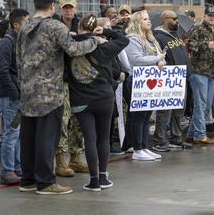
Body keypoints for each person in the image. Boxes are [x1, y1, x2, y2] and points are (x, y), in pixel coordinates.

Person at [17, 0, 105, 195]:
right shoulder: (54, 25)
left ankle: (28, 179)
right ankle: (46, 182)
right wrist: (95, 41)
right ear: (52, 6)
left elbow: (18, 57)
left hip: (28, 91)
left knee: (29, 138)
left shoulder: (25, 26)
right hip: (49, 92)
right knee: (47, 138)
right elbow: (73, 49)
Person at [67, 14, 129, 191]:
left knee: (90, 139)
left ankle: (93, 180)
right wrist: (107, 32)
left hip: (80, 99)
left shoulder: (70, 46)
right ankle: (103, 178)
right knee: (103, 139)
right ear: (95, 29)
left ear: (79, 27)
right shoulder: (105, 47)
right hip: (104, 98)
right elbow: (123, 40)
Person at [124, 11, 166, 160]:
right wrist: (156, 59)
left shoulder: (150, 38)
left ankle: (143, 146)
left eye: (148, 19)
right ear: (137, 22)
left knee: (146, 116)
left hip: (149, 81)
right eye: (145, 19)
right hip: (136, 80)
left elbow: (160, 56)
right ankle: (137, 149)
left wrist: (160, 61)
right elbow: (136, 59)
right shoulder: (132, 39)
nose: (148, 21)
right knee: (138, 116)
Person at [54, 0, 87, 177]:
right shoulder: (55, 25)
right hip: (62, 78)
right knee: (63, 119)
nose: (68, 11)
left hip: (79, 79)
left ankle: (75, 157)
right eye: (65, 8)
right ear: (60, 9)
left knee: (78, 119)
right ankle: (60, 160)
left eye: (71, 8)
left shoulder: (80, 24)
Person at [0, 9, 30, 186]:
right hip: (10, 97)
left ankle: (16, 168)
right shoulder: (7, 43)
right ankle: (7, 170)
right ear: (16, 24)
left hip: (17, 95)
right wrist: (14, 92)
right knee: (11, 134)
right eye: (26, 21)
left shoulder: (18, 42)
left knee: (17, 134)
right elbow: (1, 71)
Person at [152, 11, 189, 152]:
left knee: (180, 110)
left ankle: (176, 138)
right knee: (164, 110)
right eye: (174, 19)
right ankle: (159, 140)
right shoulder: (158, 37)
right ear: (164, 20)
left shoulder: (177, 34)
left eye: (177, 18)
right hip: (168, 77)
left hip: (181, 76)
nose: (177, 21)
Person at [185, 5, 214, 144]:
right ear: (205, 16)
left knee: (206, 105)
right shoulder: (198, 28)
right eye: (210, 15)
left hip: (212, 73)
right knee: (201, 104)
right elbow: (189, 45)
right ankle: (200, 134)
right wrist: (207, 45)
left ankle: (191, 134)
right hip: (199, 71)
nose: (212, 18)